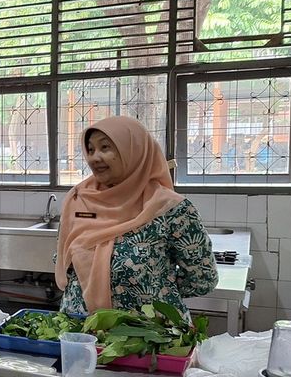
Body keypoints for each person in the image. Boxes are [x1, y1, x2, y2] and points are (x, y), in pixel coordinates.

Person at [55, 116, 218, 317]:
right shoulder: (78, 199)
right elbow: (62, 260)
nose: (94, 157)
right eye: (90, 149)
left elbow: (202, 279)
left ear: (133, 151)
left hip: (149, 336)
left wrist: (155, 291)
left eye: (105, 148)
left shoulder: (171, 209)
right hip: (80, 335)